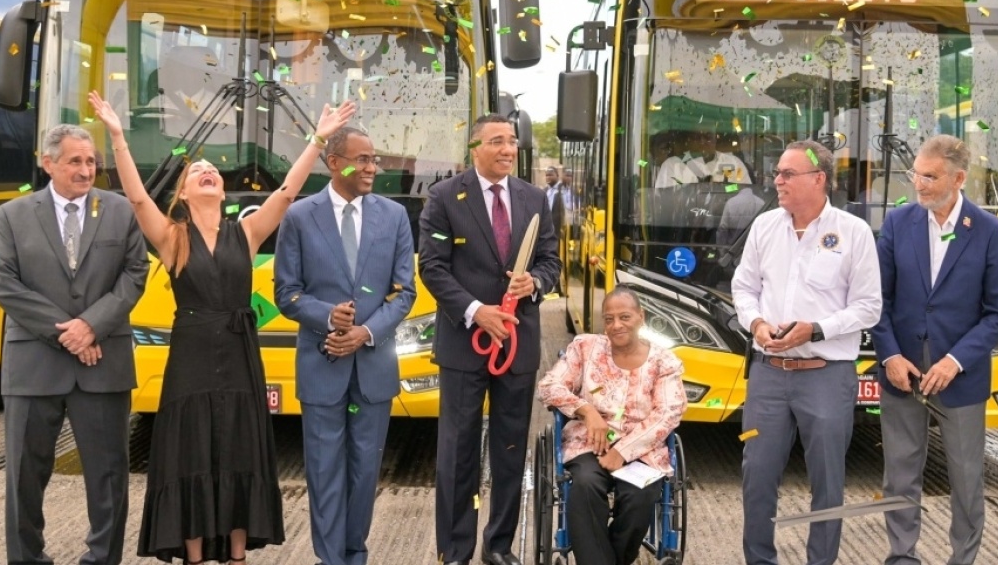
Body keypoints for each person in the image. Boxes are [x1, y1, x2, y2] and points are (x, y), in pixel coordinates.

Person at [89, 90, 355, 565]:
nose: (207, 171)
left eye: (212, 170)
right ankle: (194, 556)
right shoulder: (173, 238)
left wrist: (318, 138)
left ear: (221, 189)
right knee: (191, 451)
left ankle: (236, 555)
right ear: (184, 193)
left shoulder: (247, 233)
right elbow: (134, 195)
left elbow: (288, 192)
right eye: (196, 172)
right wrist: (116, 134)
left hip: (239, 356)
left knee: (237, 449)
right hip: (189, 360)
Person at [0, 123, 149, 565]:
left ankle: (102, 559)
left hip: (103, 365)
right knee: (24, 478)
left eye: (91, 161)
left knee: (109, 477)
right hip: (33, 366)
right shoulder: (12, 215)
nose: (86, 170)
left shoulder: (120, 210)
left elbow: (135, 274)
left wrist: (92, 326)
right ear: (49, 164)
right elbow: (5, 284)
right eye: (75, 161)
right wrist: (71, 332)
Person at [419, 113, 563, 565]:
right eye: (497, 141)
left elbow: (550, 262)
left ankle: (498, 546)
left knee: (510, 450)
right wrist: (476, 312)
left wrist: (535, 285)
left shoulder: (535, 198)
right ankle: (456, 549)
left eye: (512, 142)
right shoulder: (444, 197)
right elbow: (433, 267)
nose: (507, 150)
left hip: (517, 346)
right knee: (458, 453)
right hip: (466, 345)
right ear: (475, 148)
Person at [731, 140, 881, 565]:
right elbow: (744, 288)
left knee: (828, 482)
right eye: (777, 173)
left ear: (819, 179)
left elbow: (869, 307)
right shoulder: (764, 227)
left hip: (827, 376)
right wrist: (757, 323)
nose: (777, 180)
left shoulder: (853, 233)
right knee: (756, 475)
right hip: (767, 376)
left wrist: (814, 330)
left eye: (787, 174)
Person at [273, 126, 417, 565]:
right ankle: (330, 558)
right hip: (322, 365)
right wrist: (325, 317)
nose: (372, 167)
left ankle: (355, 554)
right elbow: (287, 292)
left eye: (375, 159)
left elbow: (404, 292)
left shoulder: (393, 217)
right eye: (363, 159)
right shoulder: (299, 217)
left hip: (373, 366)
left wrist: (366, 333)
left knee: (364, 470)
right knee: (323, 471)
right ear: (334, 162)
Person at [872, 135, 998, 565]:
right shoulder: (898, 223)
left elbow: (997, 312)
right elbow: (878, 300)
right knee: (900, 475)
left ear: (958, 178)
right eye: (916, 174)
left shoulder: (990, 231)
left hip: (961, 377)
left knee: (967, 480)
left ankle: (963, 559)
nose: (919, 183)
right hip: (902, 373)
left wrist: (954, 361)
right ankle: (902, 556)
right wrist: (890, 355)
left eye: (929, 176)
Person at [537, 287, 687, 565]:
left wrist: (624, 451)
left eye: (625, 317)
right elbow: (549, 386)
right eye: (609, 319)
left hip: (642, 452)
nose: (616, 325)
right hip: (589, 445)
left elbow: (669, 412)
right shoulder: (585, 347)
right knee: (584, 484)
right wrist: (586, 410)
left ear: (641, 317)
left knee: (641, 496)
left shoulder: (664, 362)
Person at [687, 131, 751, 184]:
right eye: (697, 138)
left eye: (708, 137)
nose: (702, 142)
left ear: (716, 138)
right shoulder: (685, 166)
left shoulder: (734, 163)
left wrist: (725, 189)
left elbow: (743, 190)